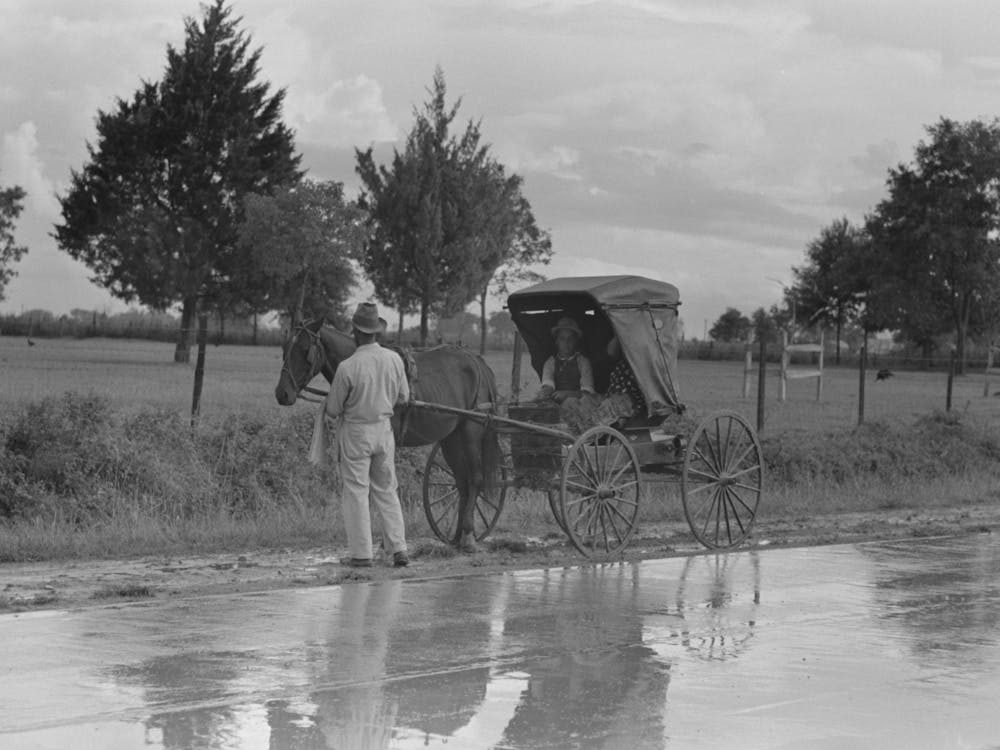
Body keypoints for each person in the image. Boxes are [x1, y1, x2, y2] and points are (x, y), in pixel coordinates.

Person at [325, 302, 410, 568]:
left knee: (356, 492)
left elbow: (333, 408)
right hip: (384, 430)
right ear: (376, 331)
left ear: (355, 332)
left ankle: (362, 554)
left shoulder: (347, 367)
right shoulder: (395, 359)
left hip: (356, 433)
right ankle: (399, 549)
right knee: (387, 489)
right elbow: (404, 397)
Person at [536, 316, 595, 403]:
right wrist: (545, 391)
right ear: (557, 341)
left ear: (576, 341)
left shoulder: (583, 362)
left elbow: (587, 393)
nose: (566, 343)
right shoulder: (550, 362)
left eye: (570, 339)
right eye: (562, 338)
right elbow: (548, 384)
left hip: (579, 405)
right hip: (557, 404)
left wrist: (568, 394)